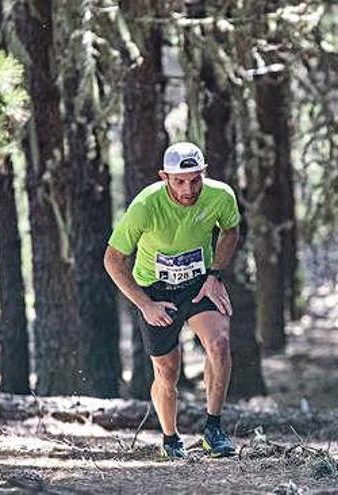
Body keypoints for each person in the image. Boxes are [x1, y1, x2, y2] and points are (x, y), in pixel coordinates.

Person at [104, 142, 240, 459]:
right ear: (164, 176)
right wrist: (145, 304)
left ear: (204, 174)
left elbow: (230, 230)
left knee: (219, 343)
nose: (188, 189)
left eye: (195, 180)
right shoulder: (145, 206)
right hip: (155, 290)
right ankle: (170, 438)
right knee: (167, 372)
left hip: (198, 284)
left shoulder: (220, 196)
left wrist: (215, 274)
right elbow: (112, 260)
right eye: (179, 181)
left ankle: (213, 429)